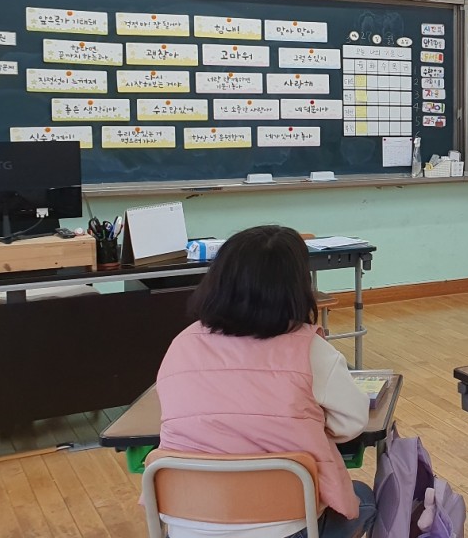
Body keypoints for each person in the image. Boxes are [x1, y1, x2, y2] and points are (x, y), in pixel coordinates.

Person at [154, 226, 375, 538]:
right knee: (364, 497)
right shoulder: (311, 350)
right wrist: (301, 423)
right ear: (298, 286)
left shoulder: (182, 343)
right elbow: (352, 423)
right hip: (287, 525)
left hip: (186, 523)